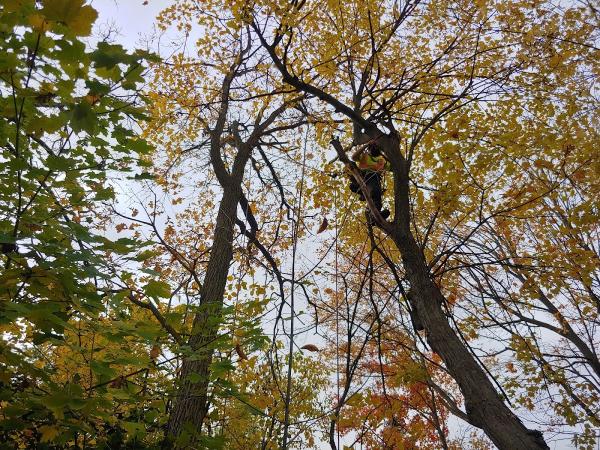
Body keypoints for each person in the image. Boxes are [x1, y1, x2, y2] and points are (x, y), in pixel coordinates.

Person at [349, 142, 391, 223]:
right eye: (372, 147)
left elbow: (393, 166)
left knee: (376, 194)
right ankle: (373, 214)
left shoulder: (381, 160)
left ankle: (374, 215)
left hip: (374, 179)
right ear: (369, 148)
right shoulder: (365, 156)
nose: (374, 148)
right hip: (364, 178)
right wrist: (366, 145)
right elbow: (354, 157)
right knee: (373, 192)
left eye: (376, 147)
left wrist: (382, 153)